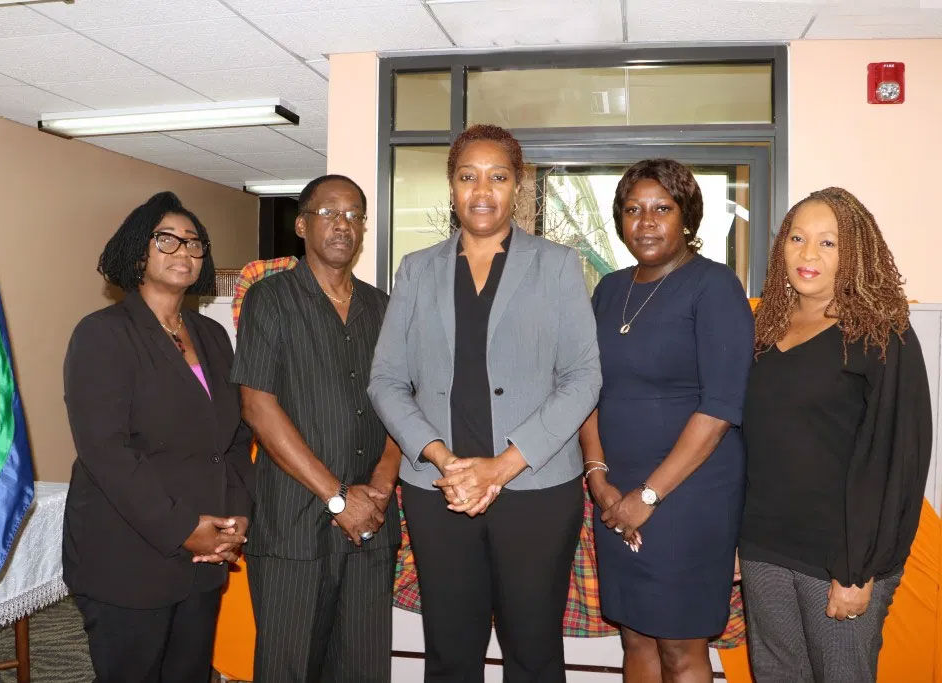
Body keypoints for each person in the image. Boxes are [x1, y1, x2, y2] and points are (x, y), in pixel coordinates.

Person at [369, 124, 601, 682]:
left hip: (536, 489)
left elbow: (583, 377)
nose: (482, 191)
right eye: (468, 176)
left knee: (533, 653)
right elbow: (386, 380)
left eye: (497, 177)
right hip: (438, 491)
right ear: (451, 186)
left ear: (517, 186)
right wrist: (444, 460)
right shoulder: (416, 269)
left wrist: (503, 466)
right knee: (450, 652)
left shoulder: (557, 264)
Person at [739, 187, 931, 682]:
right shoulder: (763, 327)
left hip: (840, 558)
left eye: (828, 242)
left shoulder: (883, 334)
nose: (808, 254)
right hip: (764, 547)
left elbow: (898, 460)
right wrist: (735, 541)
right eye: (797, 238)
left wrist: (859, 570)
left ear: (856, 253)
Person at [62, 191, 253, 683]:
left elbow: (234, 437)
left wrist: (236, 516)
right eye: (167, 239)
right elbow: (106, 451)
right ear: (137, 253)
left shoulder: (212, 336)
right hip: (129, 553)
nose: (184, 251)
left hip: (205, 552)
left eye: (194, 242)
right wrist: (182, 528)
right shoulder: (102, 334)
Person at [581, 158, 754, 681]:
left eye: (662, 208)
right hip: (615, 490)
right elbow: (585, 388)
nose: (646, 222)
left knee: (681, 648)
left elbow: (720, 408)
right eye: (633, 210)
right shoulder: (609, 289)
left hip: (689, 495)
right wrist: (598, 478)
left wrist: (648, 496)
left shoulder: (714, 286)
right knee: (635, 638)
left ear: (687, 217)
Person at [231, 174, 402, 682]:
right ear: (302, 225)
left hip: (371, 525)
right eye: (329, 213)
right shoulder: (270, 299)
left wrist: (380, 488)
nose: (342, 225)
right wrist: (337, 498)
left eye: (353, 215)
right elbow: (258, 407)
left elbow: (401, 403)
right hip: (294, 528)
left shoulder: (382, 308)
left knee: (363, 669)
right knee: (290, 669)